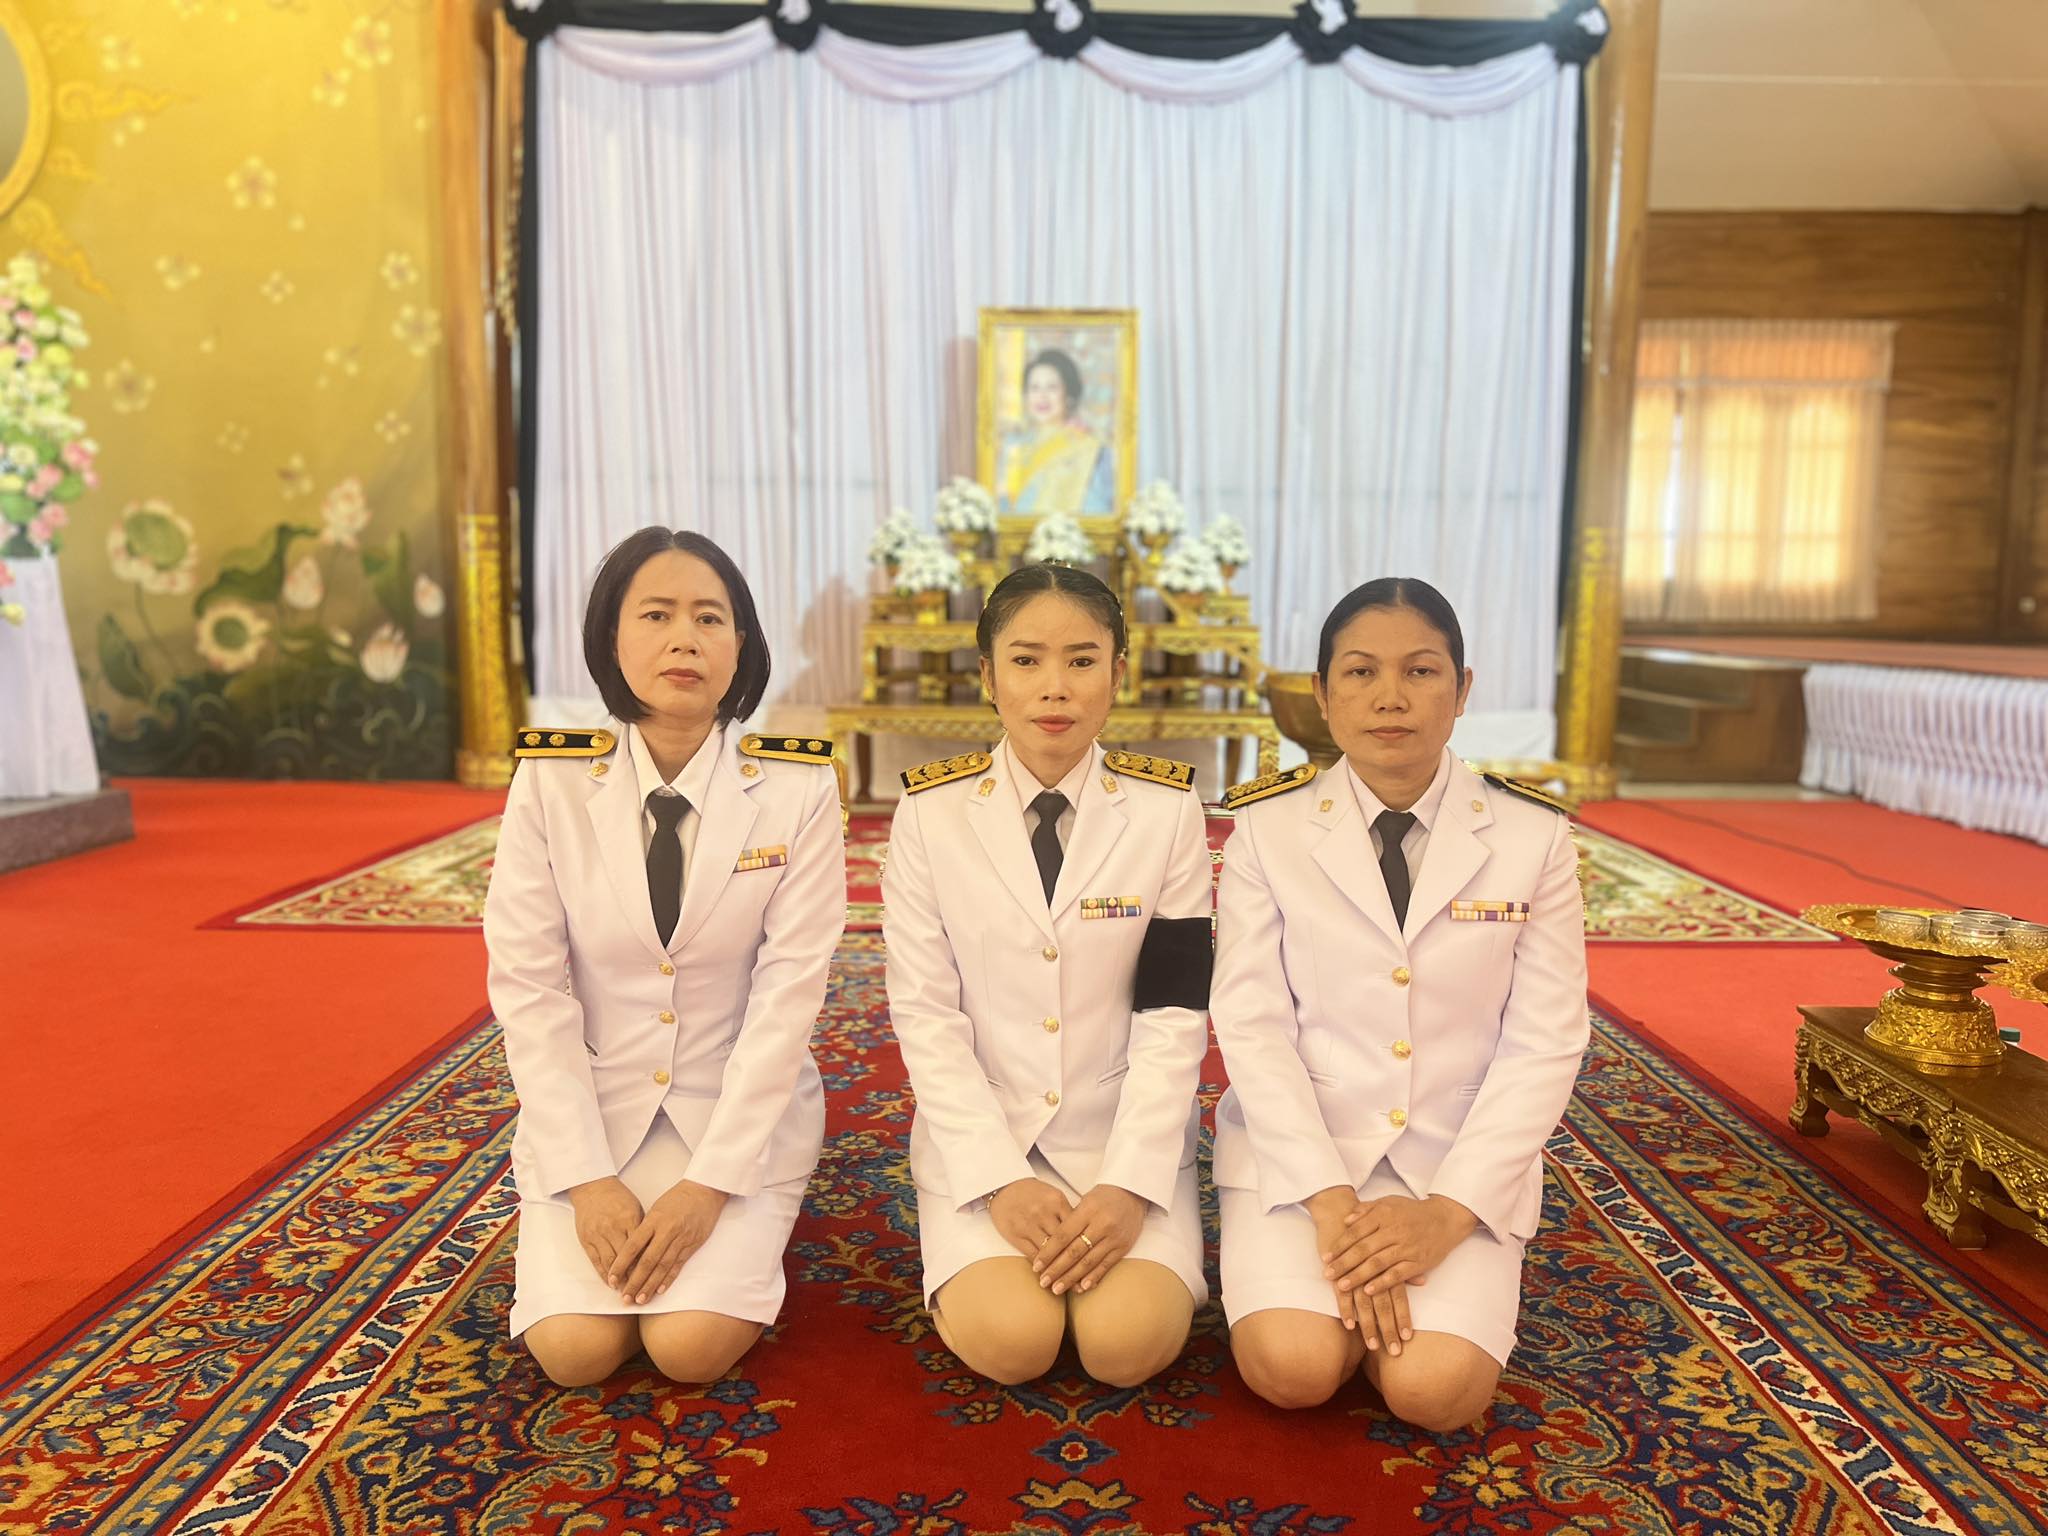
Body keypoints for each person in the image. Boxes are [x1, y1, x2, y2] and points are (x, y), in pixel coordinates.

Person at [1209, 577, 1588, 1430]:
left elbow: (1546, 1042)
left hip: (1454, 1159)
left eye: (1420, 671)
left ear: (1462, 688)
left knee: (1436, 1394)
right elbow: (1252, 1025)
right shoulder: (1268, 829)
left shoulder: (1532, 837)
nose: (1390, 697)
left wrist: (1448, 1214)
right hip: (1303, 1158)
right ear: (1321, 692)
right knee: (1292, 1368)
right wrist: (1330, 1201)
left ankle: (1411, 1298)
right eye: (1360, 672)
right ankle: (1334, 1299)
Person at [484, 527, 845, 1387]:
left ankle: (746, 1208)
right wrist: (585, 1178)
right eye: (656, 615)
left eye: (709, 618)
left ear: (741, 646)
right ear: (612, 636)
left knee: (690, 1349)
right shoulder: (550, 781)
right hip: (597, 1112)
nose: (684, 638)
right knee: (573, 1354)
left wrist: (711, 1183)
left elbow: (788, 1000)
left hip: (733, 1112)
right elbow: (530, 990)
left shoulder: (797, 788)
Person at [882, 562, 1213, 1386]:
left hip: (1122, 1136)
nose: (1054, 686)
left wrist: (1129, 1182)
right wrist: (998, 1180)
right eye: (1026, 660)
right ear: (987, 676)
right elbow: (926, 1015)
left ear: (1118, 673)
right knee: (1015, 1343)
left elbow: (1174, 1013)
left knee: (1125, 1347)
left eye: (1082, 660)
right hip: (984, 1137)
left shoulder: (1167, 811)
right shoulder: (929, 814)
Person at [1003, 348, 1114, 516]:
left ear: (1068, 394)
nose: (1042, 396)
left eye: (1052, 387)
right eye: (1034, 388)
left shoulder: (1091, 450)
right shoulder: (1015, 446)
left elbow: (1099, 512)